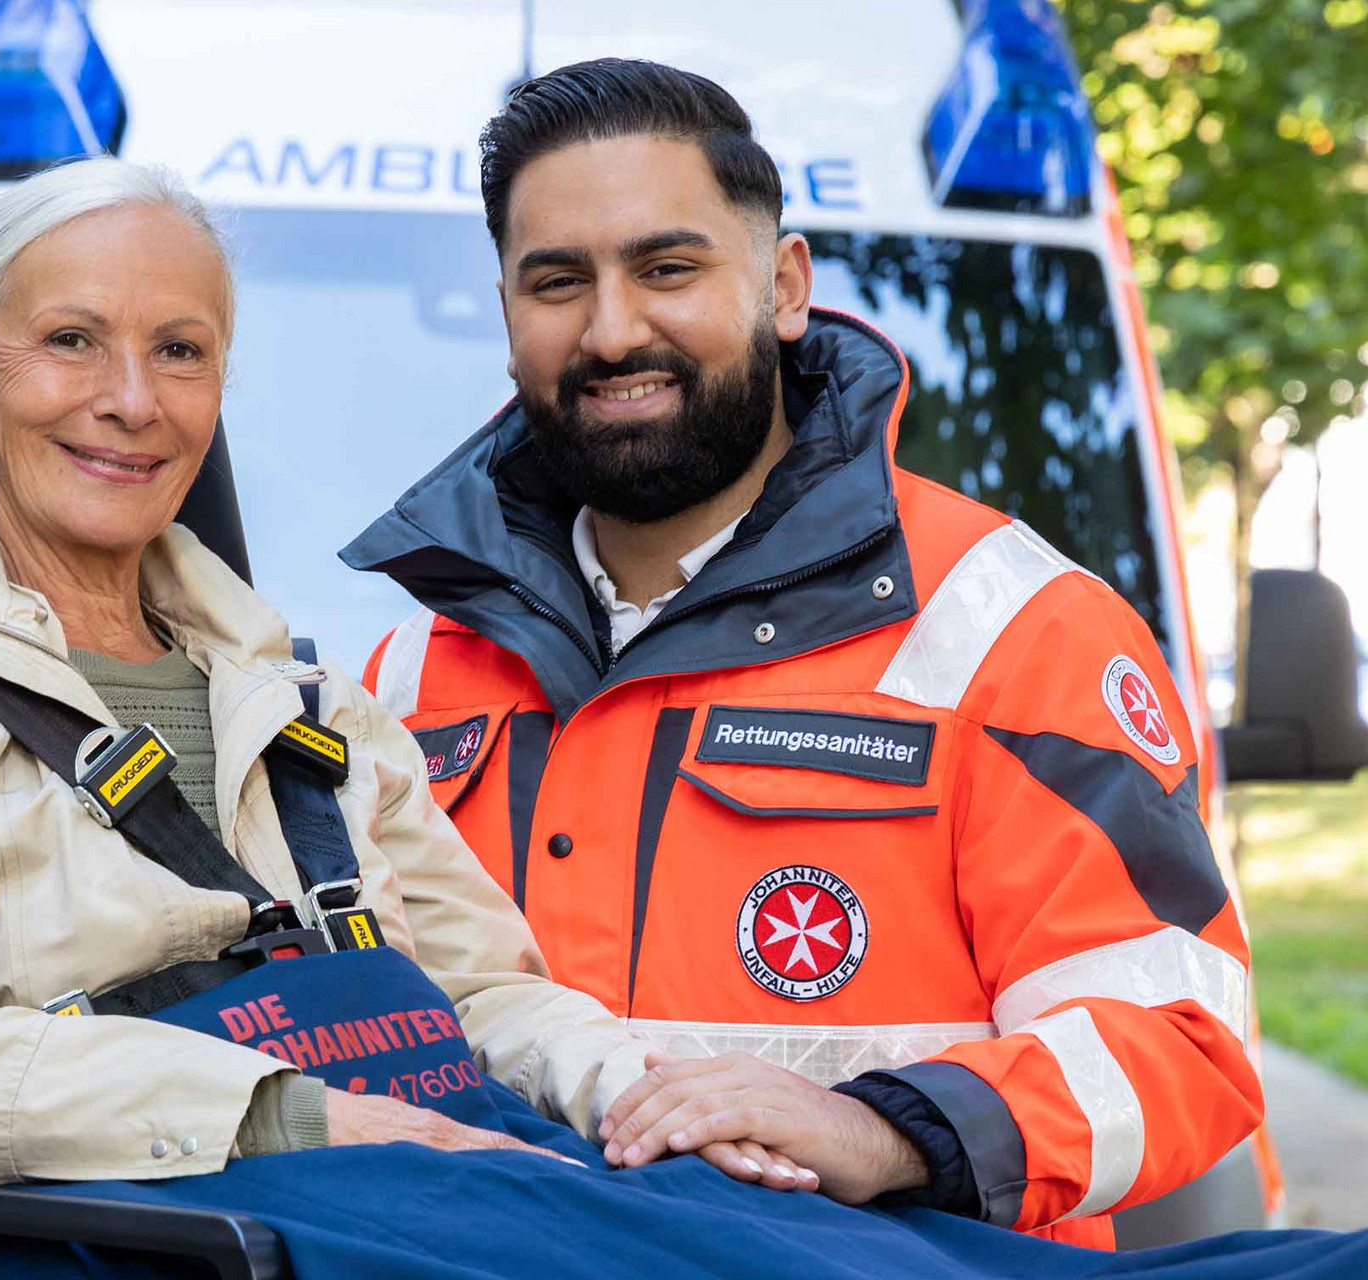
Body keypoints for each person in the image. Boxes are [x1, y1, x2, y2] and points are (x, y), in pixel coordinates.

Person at [0, 151, 1368, 1280]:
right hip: (180, 1205)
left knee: (821, 1232)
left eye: (181, 349)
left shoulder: (310, 697)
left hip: (424, 1160)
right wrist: (297, 1111)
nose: (129, 397)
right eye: (68, 343)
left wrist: (644, 1098)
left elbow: (494, 989)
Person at [345, 58, 1257, 1249]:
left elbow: (1181, 1038)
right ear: (509, 310)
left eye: (667, 267)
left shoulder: (1012, 629)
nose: (614, 329)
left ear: (783, 285)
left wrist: (886, 1131)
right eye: (558, 280)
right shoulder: (401, 681)